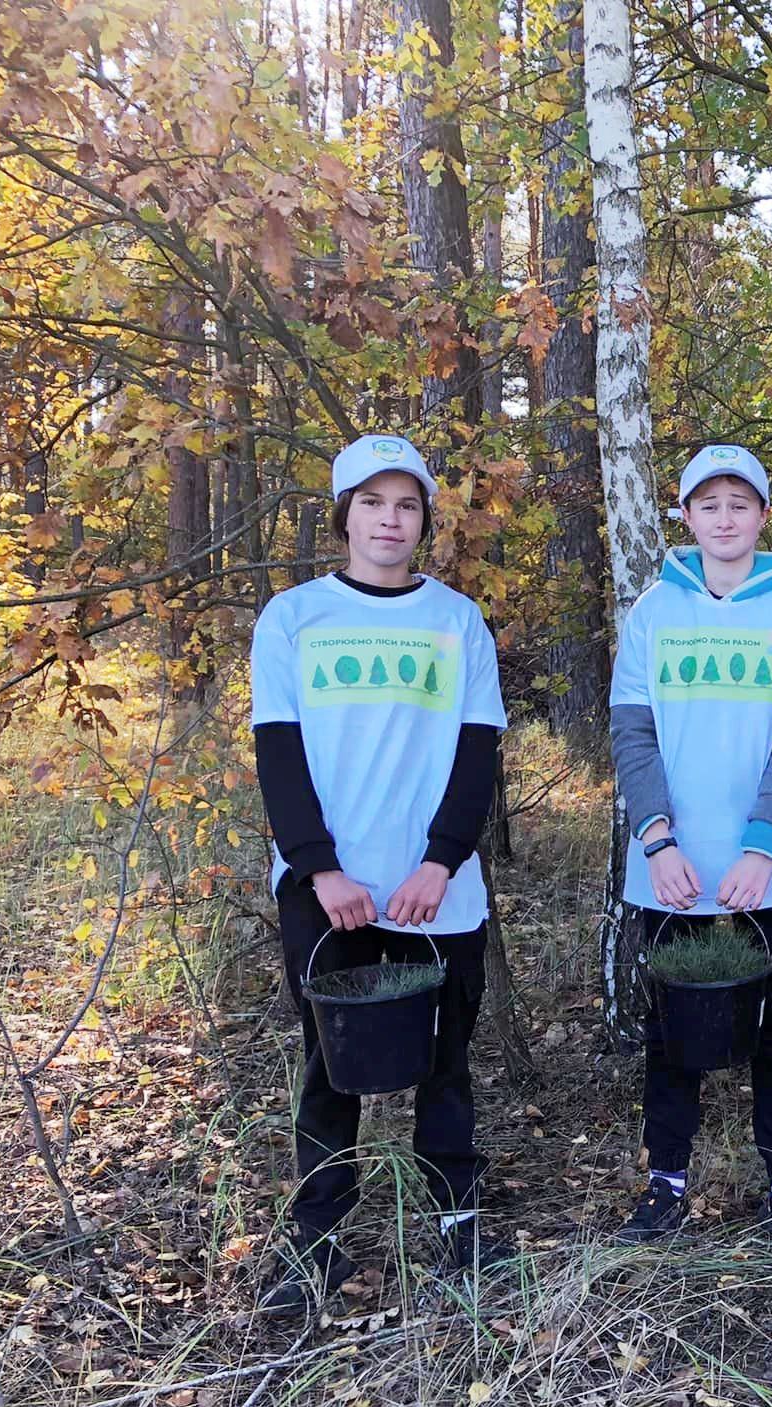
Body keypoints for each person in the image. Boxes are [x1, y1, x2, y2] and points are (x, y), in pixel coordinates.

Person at [250, 433, 512, 1314]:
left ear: (425, 520)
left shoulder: (458, 621)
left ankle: (458, 1229)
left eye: (406, 505)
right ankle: (316, 1244)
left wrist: (440, 863)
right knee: (330, 1068)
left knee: (446, 1064)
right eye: (372, 503)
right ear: (344, 516)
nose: (389, 520)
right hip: (330, 891)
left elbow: (477, 753)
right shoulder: (293, 619)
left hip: (436, 890)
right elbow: (279, 755)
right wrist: (321, 872)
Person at [608, 444, 772, 1262]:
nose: (726, 518)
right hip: (671, 863)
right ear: (686, 516)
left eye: (741, 503)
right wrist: (658, 839)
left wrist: (762, 848)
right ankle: (665, 1183)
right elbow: (632, 731)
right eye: (709, 504)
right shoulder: (653, 612)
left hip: (767, 866)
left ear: (764, 515)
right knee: (669, 1030)